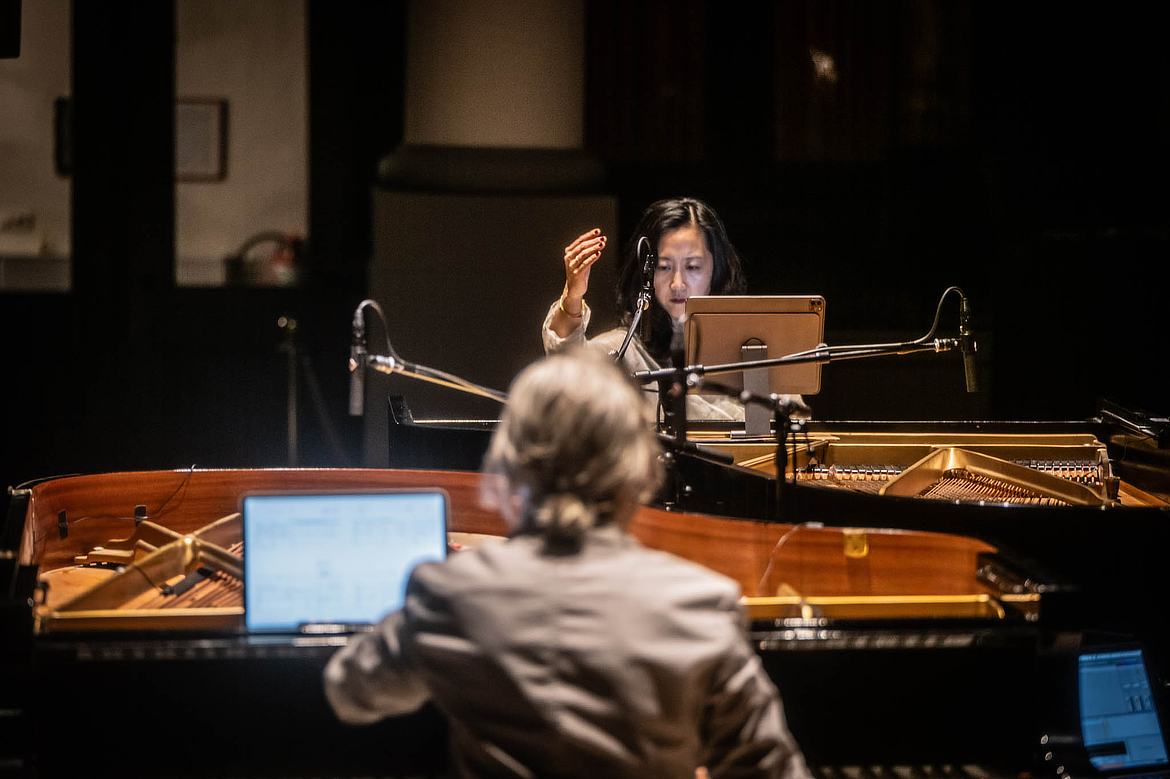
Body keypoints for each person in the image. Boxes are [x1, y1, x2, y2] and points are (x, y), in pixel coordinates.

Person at [323, 349, 812, 779]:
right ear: (638, 470)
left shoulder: (448, 594)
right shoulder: (701, 606)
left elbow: (349, 689)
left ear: (510, 462)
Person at [543, 197, 749, 421]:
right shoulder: (623, 351)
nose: (677, 283)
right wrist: (572, 295)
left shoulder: (748, 348)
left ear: (716, 270)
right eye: (663, 267)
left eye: (692, 267)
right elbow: (567, 372)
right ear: (646, 272)